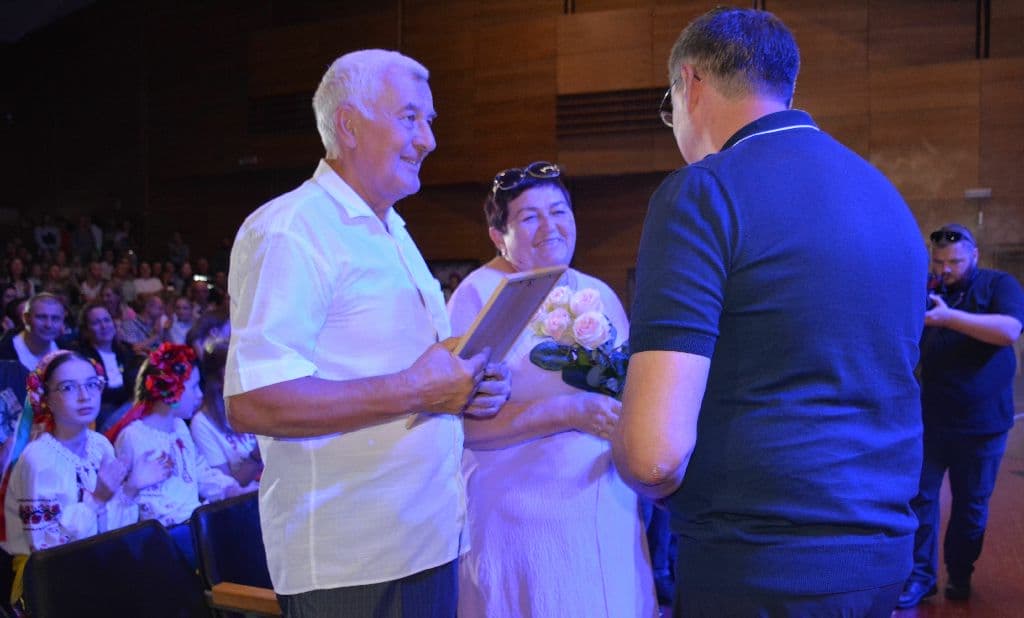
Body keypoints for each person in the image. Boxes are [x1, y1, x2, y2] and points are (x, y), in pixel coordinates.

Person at [610, 8, 927, 616]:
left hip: (757, 563)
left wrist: (624, 447)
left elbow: (654, 455)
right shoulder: (885, 196)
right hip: (881, 557)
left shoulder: (704, 190)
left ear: (690, 83)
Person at [224, 49, 510, 617]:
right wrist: (420, 389)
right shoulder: (293, 230)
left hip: (426, 538)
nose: (427, 140)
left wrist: (464, 386)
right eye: (410, 118)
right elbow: (254, 401)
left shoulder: (391, 229)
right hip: (351, 561)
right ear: (349, 125)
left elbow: (407, 373)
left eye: (429, 121)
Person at [447, 162, 656, 617]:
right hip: (521, 517)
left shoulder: (596, 292)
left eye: (559, 211)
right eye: (529, 217)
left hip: (603, 502)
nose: (550, 226)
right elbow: (461, 428)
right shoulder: (480, 295)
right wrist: (569, 411)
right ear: (497, 236)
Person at [896, 224, 1024, 608]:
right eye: (939, 262)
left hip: (983, 425)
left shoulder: (998, 285)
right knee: (920, 502)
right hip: (930, 421)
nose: (946, 269)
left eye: (954, 261)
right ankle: (921, 578)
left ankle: (960, 573)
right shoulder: (927, 290)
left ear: (975, 256)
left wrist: (949, 318)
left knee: (970, 510)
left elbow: (1009, 330)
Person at [0, 351, 169, 607]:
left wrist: (131, 488)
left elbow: (111, 530)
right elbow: (45, 550)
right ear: (47, 399)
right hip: (52, 584)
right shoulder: (38, 460)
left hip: (98, 563)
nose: (85, 396)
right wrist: (97, 498)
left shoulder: (99, 445)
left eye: (92, 384)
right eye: (68, 387)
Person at [106, 343, 239, 565]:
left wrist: (230, 488)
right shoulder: (134, 437)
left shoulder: (179, 427)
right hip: (165, 539)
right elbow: (145, 504)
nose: (199, 395)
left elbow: (198, 471)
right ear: (172, 390)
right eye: (193, 387)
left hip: (192, 527)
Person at [191, 338, 260, 491]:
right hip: (248, 497)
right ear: (216, 380)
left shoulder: (252, 400)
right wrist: (257, 456)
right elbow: (227, 488)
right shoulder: (202, 424)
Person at [70, 302, 142, 433]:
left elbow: (135, 385)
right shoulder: (80, 357)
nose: (104, 326)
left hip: (128, 409)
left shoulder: (126, 351)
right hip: (101, 413)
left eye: (106, 320)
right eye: (96, 323)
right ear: (86, 330)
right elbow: (97, 394)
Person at [0, 294, 66, 372]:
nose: (48, 325)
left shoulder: (67, 350)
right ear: (26, 319)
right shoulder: (4, 352)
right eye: (41, 317)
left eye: (55, 318)